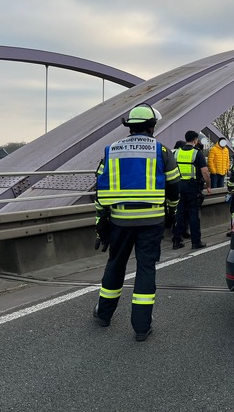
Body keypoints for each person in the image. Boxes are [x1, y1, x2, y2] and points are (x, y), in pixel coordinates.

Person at [93, 103, 180, 341]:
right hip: (152, 222)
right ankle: (141, 327)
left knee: (115, 265)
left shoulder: (111, 150)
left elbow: (100, 190)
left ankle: (104, 315)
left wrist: (101, 220)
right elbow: (174, 186)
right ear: (152, 127)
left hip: (120, 220)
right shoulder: (161, 151)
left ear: (129, 127)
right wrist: (172, 212)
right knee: (145, 268)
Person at [172, 130, 212, 250]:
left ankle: (176, 241)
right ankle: (196, 242)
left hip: (179, 185)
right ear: (195, 140)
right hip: (192, 186)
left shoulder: (177, 152)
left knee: (179, 214)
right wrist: (208, 185)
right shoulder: (197, 153)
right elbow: (205, 172)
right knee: (193, 214)